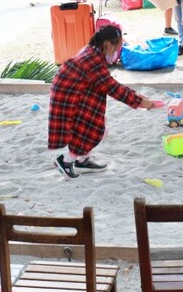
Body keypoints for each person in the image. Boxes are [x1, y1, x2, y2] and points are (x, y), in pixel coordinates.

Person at [48, 25, 158, 179]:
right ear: (107, 44)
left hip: (73, 92)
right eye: (117, 46)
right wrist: (141, 102)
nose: (118, 50)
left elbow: (106, 84)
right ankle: (66, 160)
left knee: (97, 120)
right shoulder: (93, 59)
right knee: (95, 128)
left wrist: (138, 97)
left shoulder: (93, 51)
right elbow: (113, 88)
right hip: (67, 97)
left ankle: (83, 160)